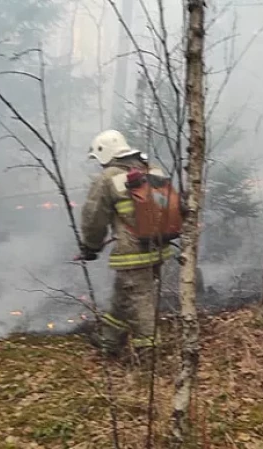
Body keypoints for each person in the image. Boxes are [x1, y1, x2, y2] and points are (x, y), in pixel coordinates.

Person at [77, 129, 173, 362]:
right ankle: (109, 340)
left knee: (139, 299)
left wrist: (90, 246)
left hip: (133, 254)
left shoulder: (108, 177)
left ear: (104, 153)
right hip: (158, 247)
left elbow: (93, 217)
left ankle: (148, 355)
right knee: (124, 294)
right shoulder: (148, 169)